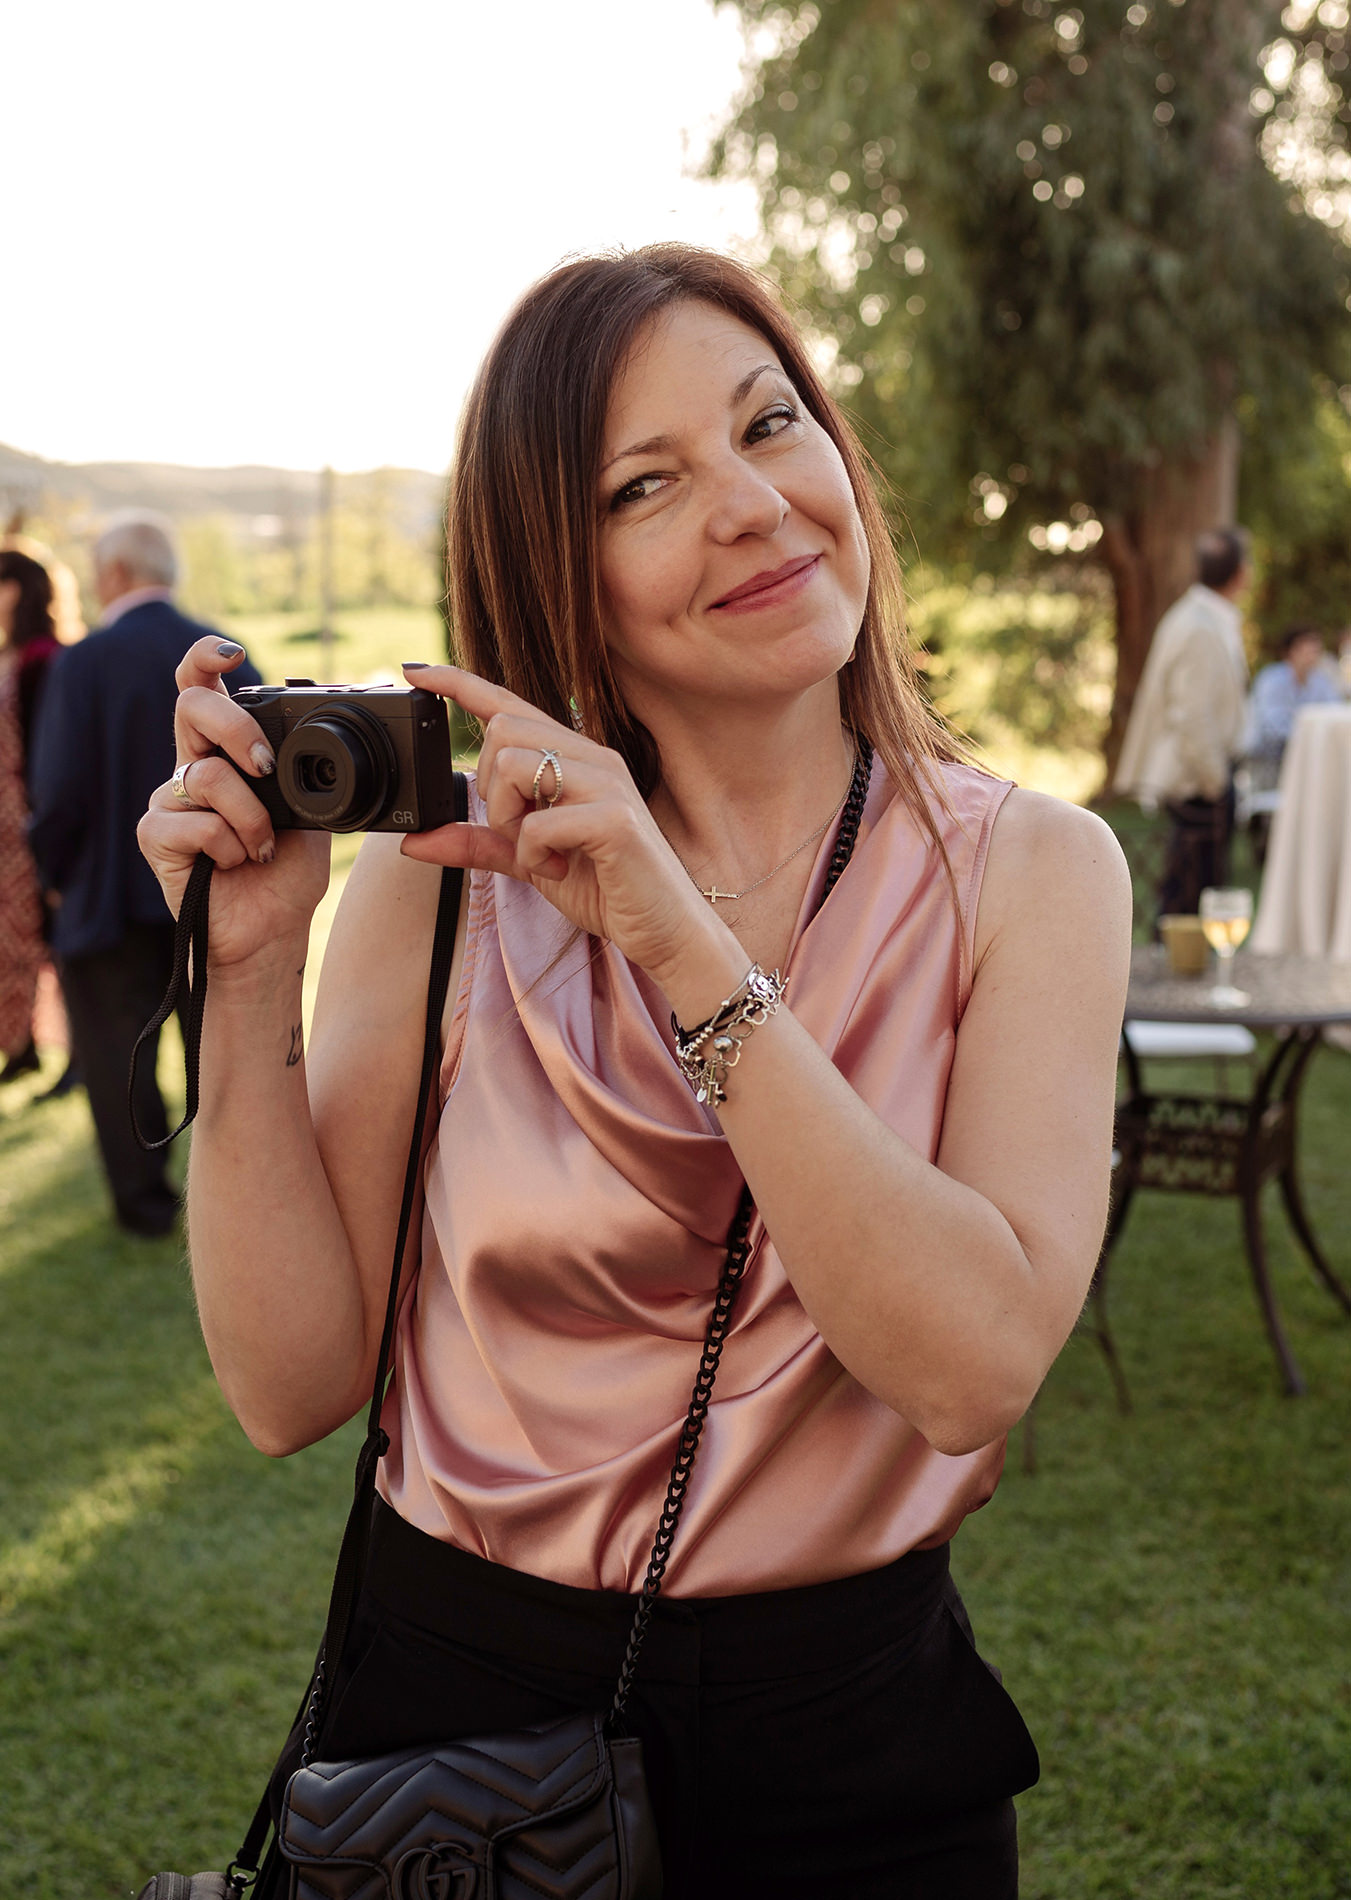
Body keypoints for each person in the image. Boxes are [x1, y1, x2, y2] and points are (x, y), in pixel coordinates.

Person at [139, 247, 1131, 1898]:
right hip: (454, 1744)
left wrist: (678, 944)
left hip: (853, 1755)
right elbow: (286, 1389)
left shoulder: (1032, 873)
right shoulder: (443, 884)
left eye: (770, 423)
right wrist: (242, 983)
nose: (752, 505)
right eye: (643, 486)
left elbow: (970, 1375)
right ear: (557, 575)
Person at [27, 512, 260, 1236]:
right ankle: (237, 1196)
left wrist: (53, 877)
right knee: (221, 1054)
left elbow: (57, 789)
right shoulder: (227, 656)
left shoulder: (86, 660)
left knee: (117, 1061)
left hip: (106, 900)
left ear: (115, 574)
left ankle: (146, 1206)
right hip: (214, 891)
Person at [1114, 527, 1252, 921]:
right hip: (1198, 780)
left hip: (1203, 777)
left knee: (1194, 892)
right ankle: (1177, 958)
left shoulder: (1204, 618)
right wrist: (1216, 782)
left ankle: (1184, 955)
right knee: (1191, 897)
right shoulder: (1199, 627)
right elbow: (1192, 715)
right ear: (1240, 573)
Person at [0, 548, 60, 1080]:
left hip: (26, 823)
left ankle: (50, 1046)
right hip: (6, 825)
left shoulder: (43, 658)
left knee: (33, 933)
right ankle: (18, 1041)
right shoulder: (11, 654)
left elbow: (48, 751)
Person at [1245, 623, 1340, 769]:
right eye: (1307, 649)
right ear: (1291, 652)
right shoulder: (1272, 680)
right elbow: (1273, 726)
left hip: (1307, 754)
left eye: (1316, 650)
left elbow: (1334, 712)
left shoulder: (1320, 681)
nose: (1312, 655)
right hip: (1270, 758)